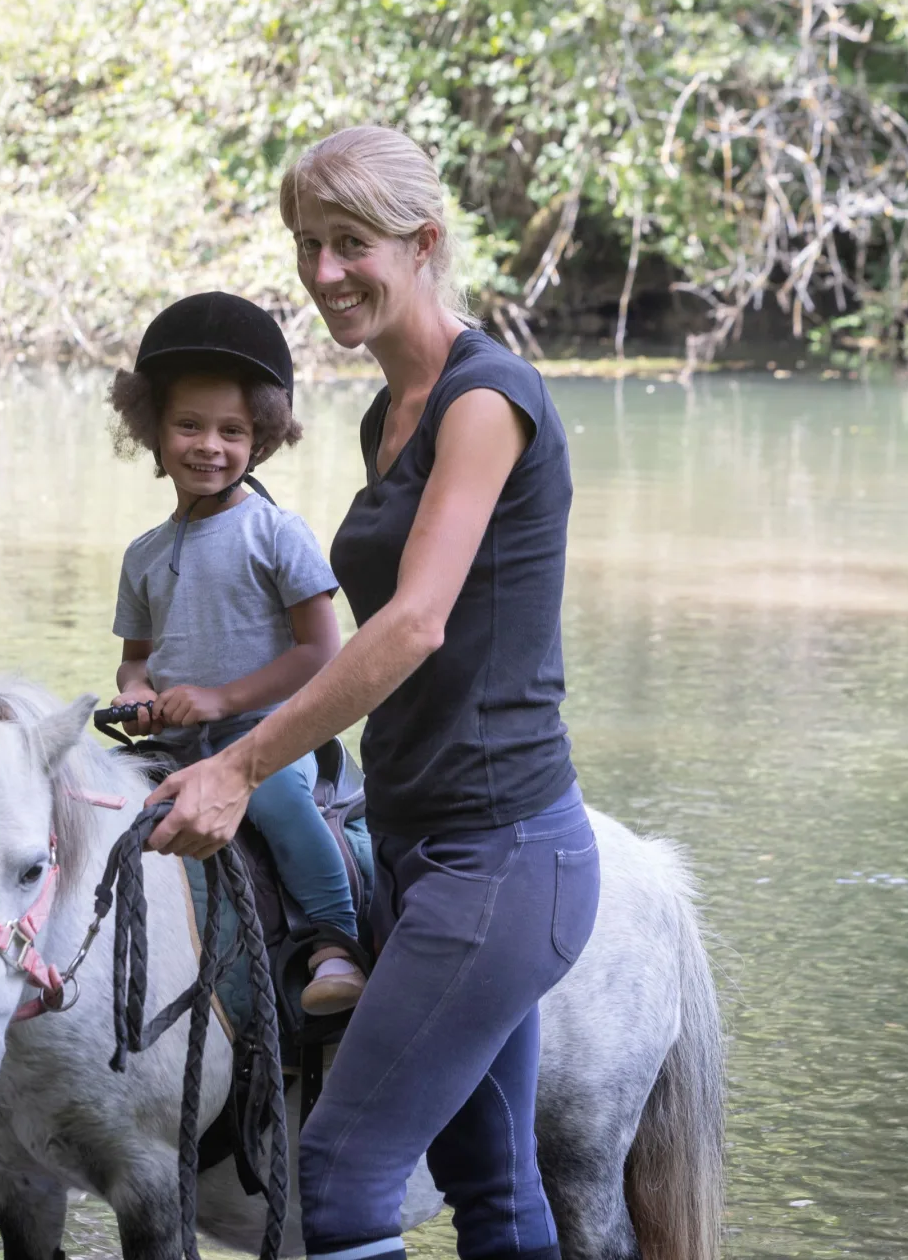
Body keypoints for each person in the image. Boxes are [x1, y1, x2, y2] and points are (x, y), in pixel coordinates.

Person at [144, 129, 601, 1260]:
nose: (324, 271)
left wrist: (244, 762)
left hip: (504, 855)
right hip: (415, 845)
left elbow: (413, 621)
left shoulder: (486, 401)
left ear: (424, 242)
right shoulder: (385, 411)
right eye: (307, 244)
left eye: (351, 243)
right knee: (491, 1185)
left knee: (340, 1183)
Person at [108, 291, 367, 1014]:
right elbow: (138, 658)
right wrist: (135, 693)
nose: (209, 446)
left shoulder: (277, 533)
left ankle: (334, 942)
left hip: (274, 734)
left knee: (279, 796)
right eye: (188, 425)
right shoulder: (144, 555)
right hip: (179, 740)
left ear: (261, 437)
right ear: (153, 430)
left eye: (231, 430)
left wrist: (224, 700)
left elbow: (322, 652)